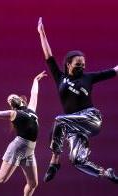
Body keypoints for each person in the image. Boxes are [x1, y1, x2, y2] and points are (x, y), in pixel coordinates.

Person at [37, 17, 118, 183]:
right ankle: (106, 173)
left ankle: (54, 162)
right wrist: (42, 33)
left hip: (91, 118)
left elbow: (114, 70)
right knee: (77, 160)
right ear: (68, 64)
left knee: (59, 121)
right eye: (78, 64)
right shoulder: (60, 78)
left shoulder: (89, 78)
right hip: (74, 127)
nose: (82, 66)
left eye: (83, 64)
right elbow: (49, 57)